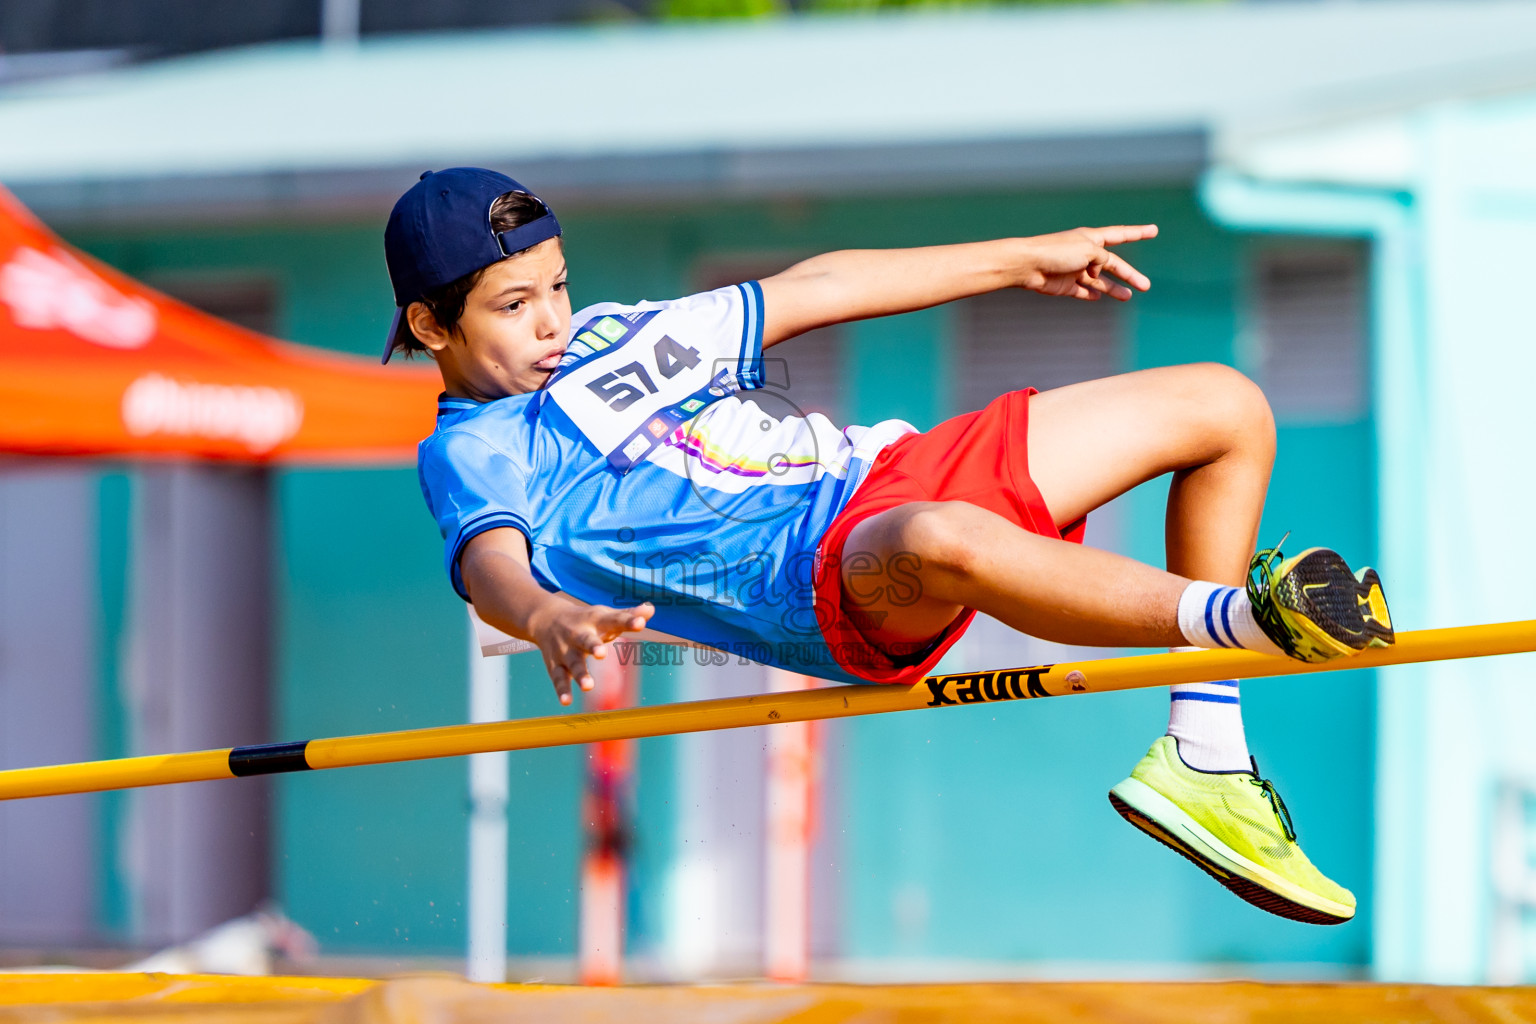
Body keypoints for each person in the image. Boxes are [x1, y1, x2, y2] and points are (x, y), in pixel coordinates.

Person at [387, 167, 1394, 927]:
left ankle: (1209, 756)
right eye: (514, 308)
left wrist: (1023, 257)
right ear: (432, 324)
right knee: (943, 538)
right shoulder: (473, 448)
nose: (552, 322)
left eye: (556, 286)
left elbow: (819, 284)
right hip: (823, 582)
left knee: (1223, 405)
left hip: (892, 470)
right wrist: (546, 614)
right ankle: (1249, 623)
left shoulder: (606, 336)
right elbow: (491, 567)